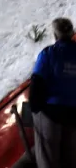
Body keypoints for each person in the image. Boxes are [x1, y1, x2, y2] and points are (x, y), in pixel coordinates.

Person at [29, 17, 76, 168]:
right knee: (70, 157)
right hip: (73, 113)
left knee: (47, 158)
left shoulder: (49, 53)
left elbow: (37, 81)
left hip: (51, 112)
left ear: (55, 34)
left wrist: (35, 108)